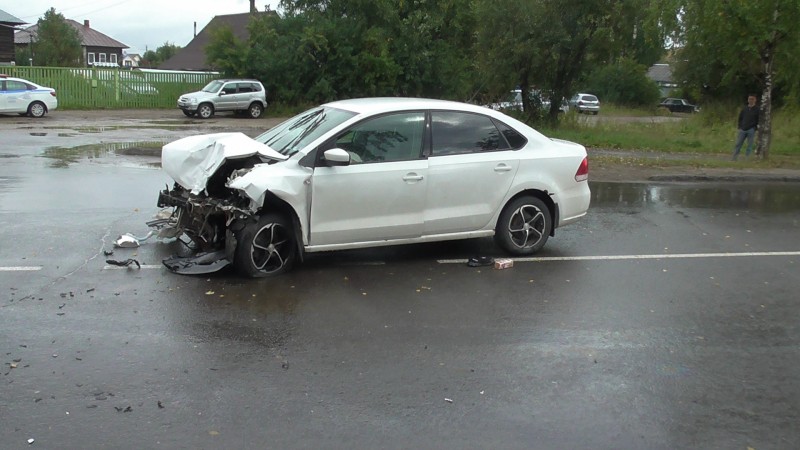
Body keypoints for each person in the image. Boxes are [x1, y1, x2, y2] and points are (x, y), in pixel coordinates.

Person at [731, 94, 759, 160]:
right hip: (742, 129)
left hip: (751, 130)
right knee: (738, 144)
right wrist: (740, 127)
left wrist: (755, 128)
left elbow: (758, 119)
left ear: (755, 100)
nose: (750, 100)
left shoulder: (757, 110)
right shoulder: (744, 108)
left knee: (749, 145)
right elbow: (740, 118)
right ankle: (734, 158)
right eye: (749, 99)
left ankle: (747, 158)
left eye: (752, 99)